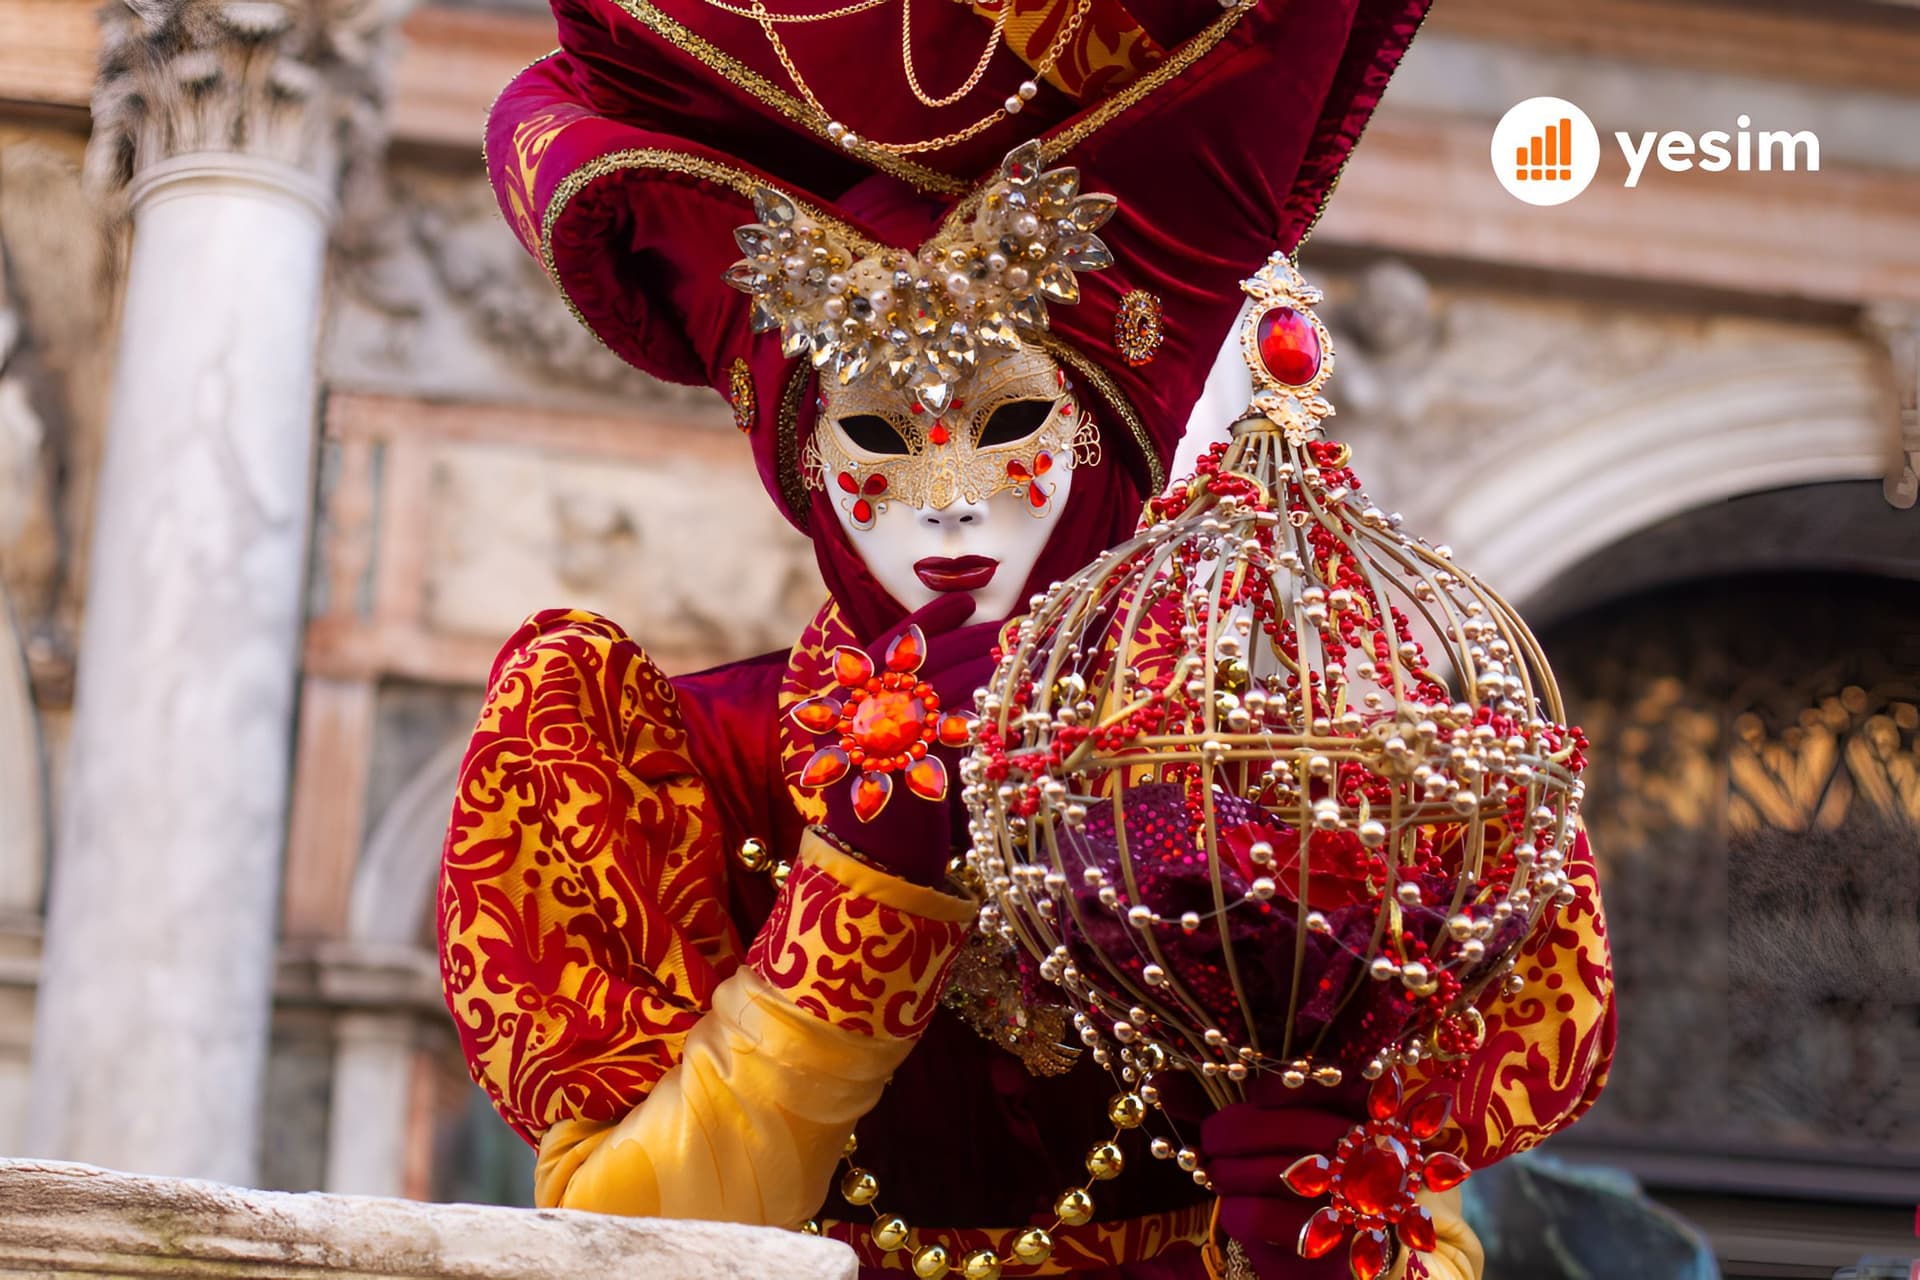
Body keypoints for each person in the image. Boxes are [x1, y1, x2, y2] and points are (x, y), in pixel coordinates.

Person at [437, 0, 1615, 1274]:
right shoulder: (688, 756)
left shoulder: (1276, 782)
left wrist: (1331, 1233)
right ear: (803, 474)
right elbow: (613, 1238)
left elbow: (1425, 1236)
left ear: (1110, 441)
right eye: (880, 435)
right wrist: (862, 895)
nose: (949, 496)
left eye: (1009, 426)